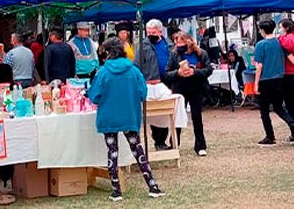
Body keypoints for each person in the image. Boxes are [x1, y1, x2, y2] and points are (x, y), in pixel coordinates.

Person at [87, 38, 165, 202]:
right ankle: (152, 186)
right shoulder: (134, 71)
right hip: (129, 115)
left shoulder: (103, 72)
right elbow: (143, 94)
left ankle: (116, 191)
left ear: (108, 53)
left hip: (108, 117)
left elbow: (94, 96)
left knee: (112, 152)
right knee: (137, 150)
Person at [164, 33, 213, 156]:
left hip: (196, 88)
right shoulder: (174, 54)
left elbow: (208, 70)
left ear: (189, 41)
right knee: (177, 117)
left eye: (182, 42)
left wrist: (194, 72)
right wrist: (178, 73)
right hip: (179, 89)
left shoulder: (201, 54)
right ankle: (174, 144)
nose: (179, 45)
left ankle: (200, 146)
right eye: (177, 42)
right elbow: (167, 73)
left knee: (197, 117)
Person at [253, 20, 294, 147]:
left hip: (265, 81)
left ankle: (270, 136)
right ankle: (292, 124)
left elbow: (259, 66)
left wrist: (255, 83)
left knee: (264, 111)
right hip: (280, 79)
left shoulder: (260, 45)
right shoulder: (280, 43)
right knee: (279, 107)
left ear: (262, 30)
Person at [134, 19, 171, 150]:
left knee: (167, 111)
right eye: (148, 32)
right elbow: (137, 65)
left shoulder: (168, 44)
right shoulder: (143, 46)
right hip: (151, 82)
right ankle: (159, 141)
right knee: (155, 113)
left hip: (168, 81)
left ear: (160, 32)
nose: (150, 34)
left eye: (153, 32)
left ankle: (167, 139)